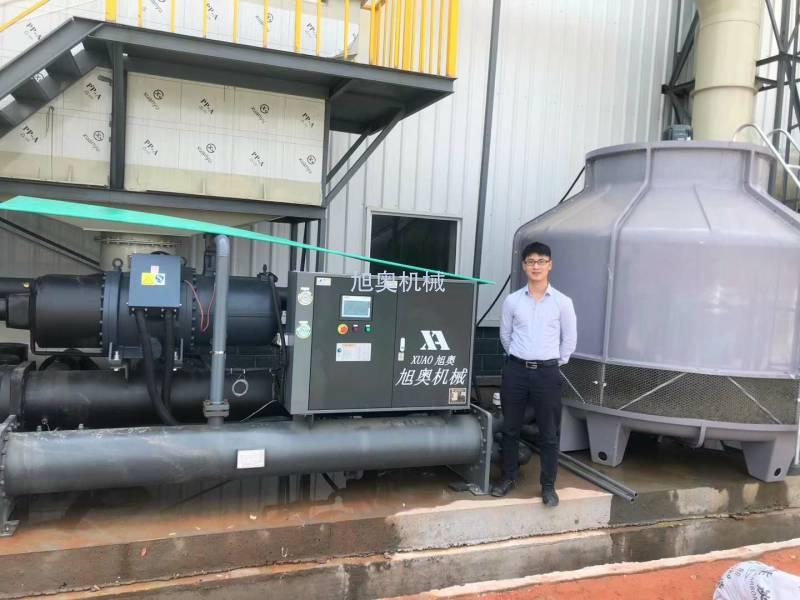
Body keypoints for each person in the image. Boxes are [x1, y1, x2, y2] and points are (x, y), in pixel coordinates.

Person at [492, 241, 577, 506]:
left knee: (549, 433)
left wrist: (552, 363)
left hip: (547, 374)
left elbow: (569, 340)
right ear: (524, 266)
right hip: (516, 371)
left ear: (550, 265)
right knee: (510, 428)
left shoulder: (562, 302)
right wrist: (520, 358)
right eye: (531, 261)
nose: (536, 266)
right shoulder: (512, 301)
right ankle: (507, 477)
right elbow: (505, 336)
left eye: (541, 261)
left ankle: (548, 486)